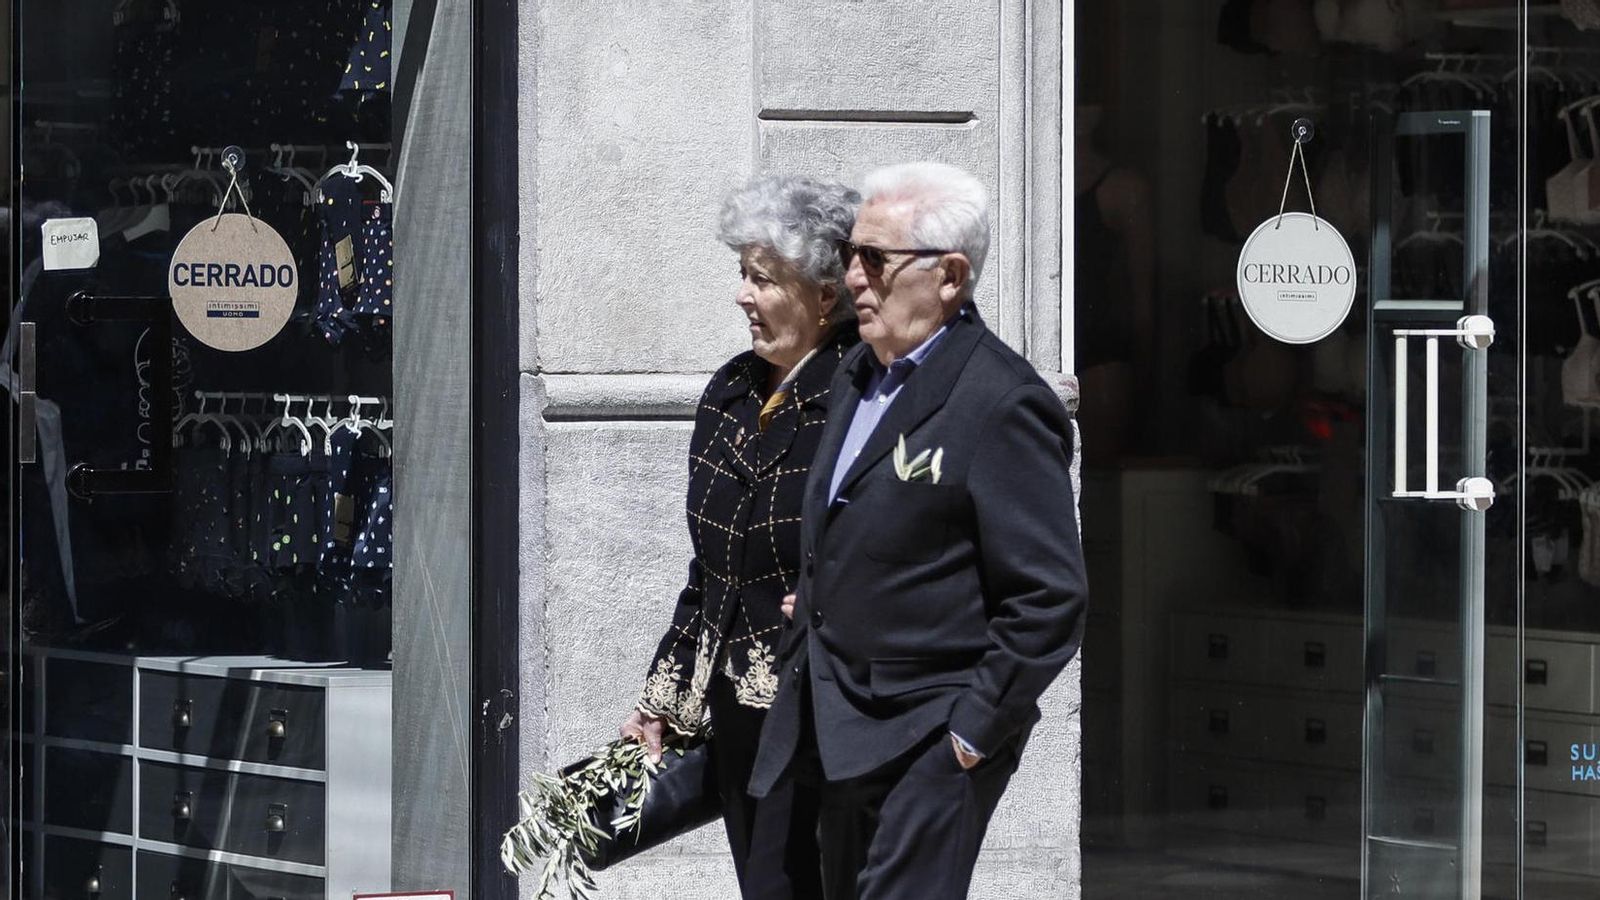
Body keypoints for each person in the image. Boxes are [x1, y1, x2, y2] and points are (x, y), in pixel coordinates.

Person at [749, 162, 1088, 900]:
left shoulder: (1002, 402)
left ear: (950, 276)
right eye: (849, 253)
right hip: (838, 727)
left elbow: (1050, 597)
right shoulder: (858, 375)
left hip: (930, 736)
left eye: (875, 259)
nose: (854, 278)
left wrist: (968, 737)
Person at [621, 174, 861, 900]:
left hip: (823, 718)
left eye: (763, 278)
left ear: (824, 296)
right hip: (737, 720)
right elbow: (710, 569)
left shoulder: (859, 399)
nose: (743, 295)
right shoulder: (730, 393)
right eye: (742, 274)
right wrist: (663, 695)